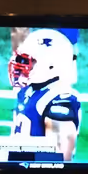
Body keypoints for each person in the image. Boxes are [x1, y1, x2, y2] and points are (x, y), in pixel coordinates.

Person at [8, 28, 81, 163]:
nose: (22, 65)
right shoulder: (28, 90)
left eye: (29, 61)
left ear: (51, 64)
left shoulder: (59, 98)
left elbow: (58, 160)